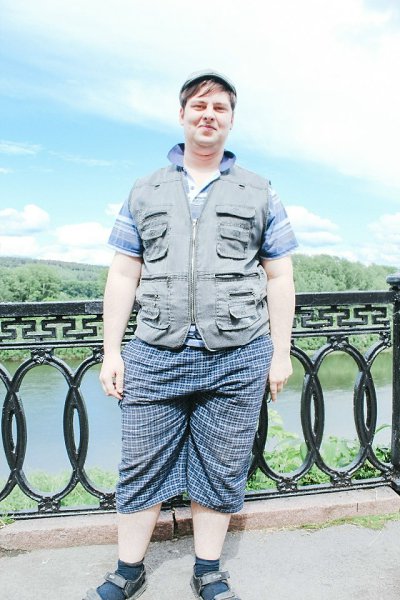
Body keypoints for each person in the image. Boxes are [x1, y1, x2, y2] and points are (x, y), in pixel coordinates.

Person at [84, 69, 297, 600]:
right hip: (156, 350)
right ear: (182, 115)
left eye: (220, 108)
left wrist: (280, 352)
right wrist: (111, 351)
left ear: (231, 120)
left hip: (238, 352)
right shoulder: (145, 188)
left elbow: (279, 275)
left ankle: (208, 570)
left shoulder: (259, 190)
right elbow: (123, 273)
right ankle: (127, 571)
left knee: (221, 464)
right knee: (141, 463)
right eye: (199, 106)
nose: (209, 115)